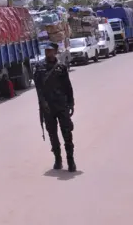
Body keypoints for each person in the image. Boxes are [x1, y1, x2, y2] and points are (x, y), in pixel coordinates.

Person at [33, 43, 77, 172]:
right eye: (46, 51)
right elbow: (38, 89)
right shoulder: (39, 67)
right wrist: (43, 103)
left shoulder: (61, 67)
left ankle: (71, 160)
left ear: (56, 51)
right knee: (52, 134)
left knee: (67, 133)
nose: (48, 53)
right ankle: (58, 159)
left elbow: (68, 87)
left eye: (51, 51)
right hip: (47, 107)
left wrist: (71, 103)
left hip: (61, 105)